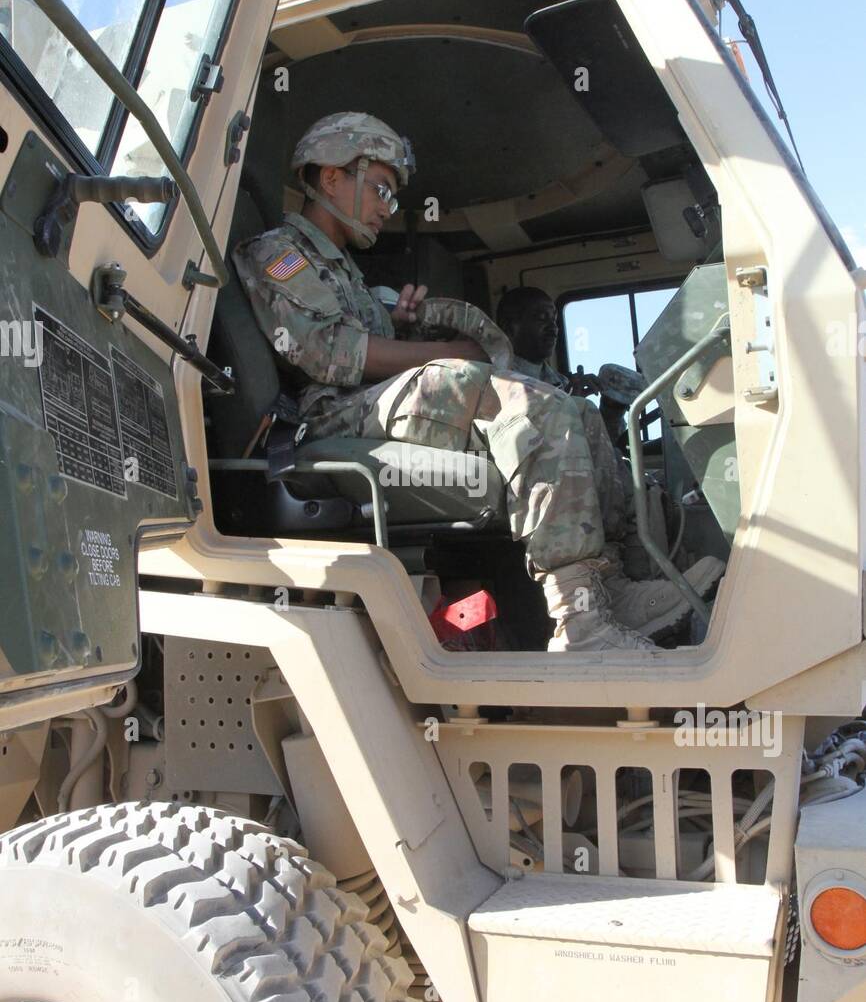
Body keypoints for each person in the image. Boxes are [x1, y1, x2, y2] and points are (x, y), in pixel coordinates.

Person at [232, 112, 722, 652]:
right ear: (330, 177)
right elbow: (328, 353)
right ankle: (579, 622)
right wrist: (442, 352)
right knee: (522, 406)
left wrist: (404, 320)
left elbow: (361, 336)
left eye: (391, 199)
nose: (384, 209)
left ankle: (611, 585)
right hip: (330, 414)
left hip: (372, 401)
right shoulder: (278, 254)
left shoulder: (344, 273)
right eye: (379, 190)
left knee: (576, 411)